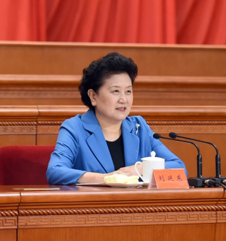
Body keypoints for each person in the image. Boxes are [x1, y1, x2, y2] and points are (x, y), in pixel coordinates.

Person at [46, 52, 186, 185]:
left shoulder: (139, 127)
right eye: (116, 91)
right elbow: (55, 171)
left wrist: (140, 169)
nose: (123, 99)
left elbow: (180, 168)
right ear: (93, 96)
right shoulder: (74, 128)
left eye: (128, 91)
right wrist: (106, 179)